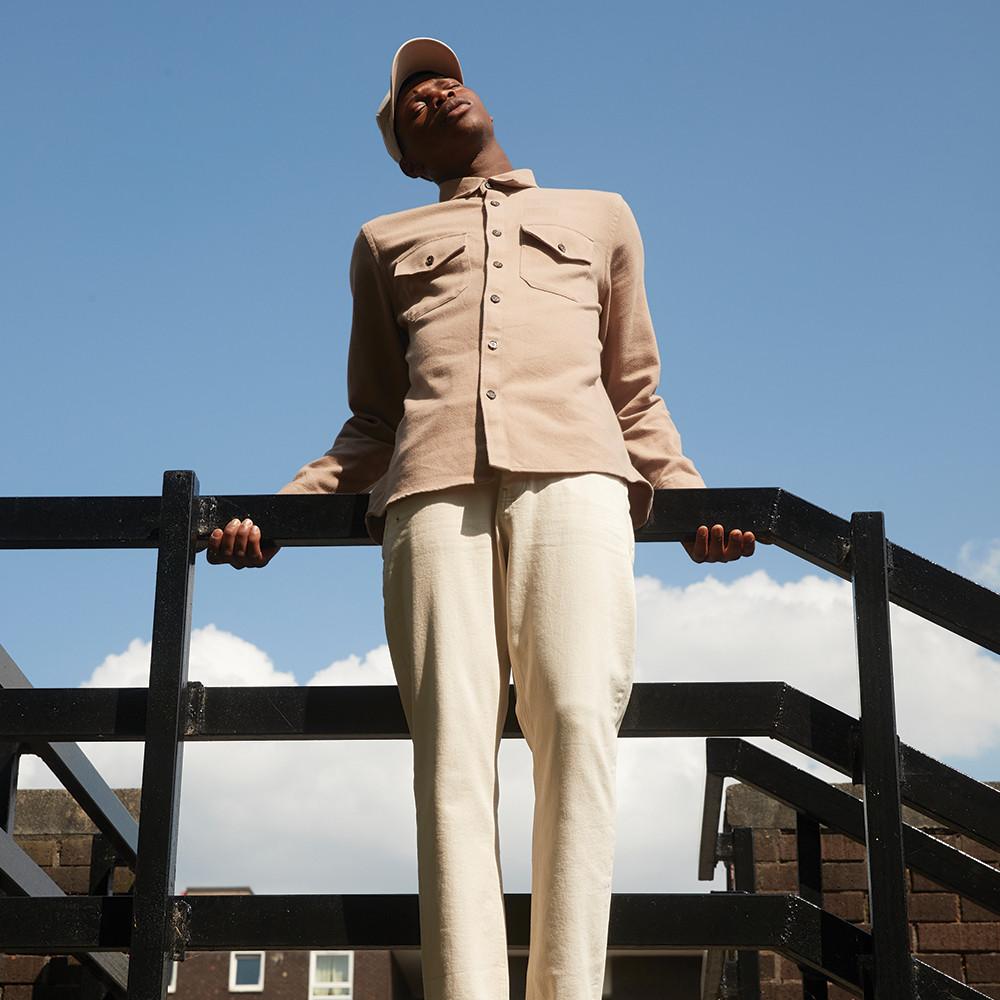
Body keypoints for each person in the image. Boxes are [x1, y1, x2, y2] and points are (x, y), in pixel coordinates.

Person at [207, 37, 763, 1000]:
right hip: (429, 500)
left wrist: (693, 502)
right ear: (404, 157)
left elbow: (636, 395)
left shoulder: (602, 216)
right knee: (452, 752)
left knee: (583, 722)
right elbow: (373, 422)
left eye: (439, 78)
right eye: (409, 102)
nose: (431, 91)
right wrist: (278, 516)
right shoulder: (382, 244)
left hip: (580, 487)